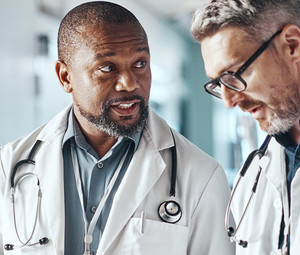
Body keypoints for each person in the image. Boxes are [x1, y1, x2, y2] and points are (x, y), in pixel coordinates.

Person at [0, 1, 234, 255]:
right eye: (108, 68)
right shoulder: (8, 165)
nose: (129, 83)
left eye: (140, 64)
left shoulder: (201, 175)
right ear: (65, 77)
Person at [191, 0, 300, 254]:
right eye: (219, 83)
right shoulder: (251, 179)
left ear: (292, 45)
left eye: (234, 74)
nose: (229, 101)